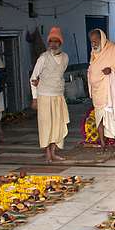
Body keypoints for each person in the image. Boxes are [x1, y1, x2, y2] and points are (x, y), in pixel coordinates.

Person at [87, 29, 115, 152]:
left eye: (96, 41)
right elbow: (92, 68)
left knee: (114, 114)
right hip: (98, 92)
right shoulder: (94, 53)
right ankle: (102, 143)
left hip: (111, 90)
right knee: (99, 118)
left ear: (102, 39)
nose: (94, 44)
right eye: (92, 42)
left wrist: (111, 71)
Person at [30, 27, 70, 163]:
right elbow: (33, 78)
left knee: (57, 126)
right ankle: (47, 154)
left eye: (56, 41)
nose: (53, 44)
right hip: (44, 96)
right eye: (51, 41)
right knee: (46, 125)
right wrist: (34, 98)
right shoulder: (43, 58)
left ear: (60, 43)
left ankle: (53, 153)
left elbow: (59, 75)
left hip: (58, 96)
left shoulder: (65, 57)